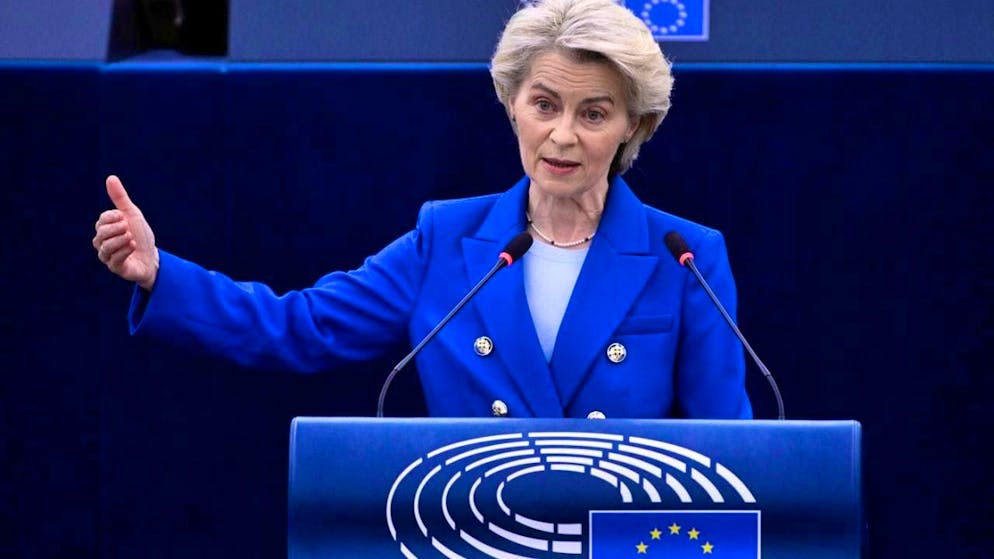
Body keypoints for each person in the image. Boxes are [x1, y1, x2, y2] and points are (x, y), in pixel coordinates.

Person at [92, 0, 752, 419]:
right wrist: (159, 274)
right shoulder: (446, 238)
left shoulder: (685, 255)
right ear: (510, 104)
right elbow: (298, 326)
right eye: (544, 104)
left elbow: (734, 460)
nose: (563, 134)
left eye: (594, 113)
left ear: (635, 126)